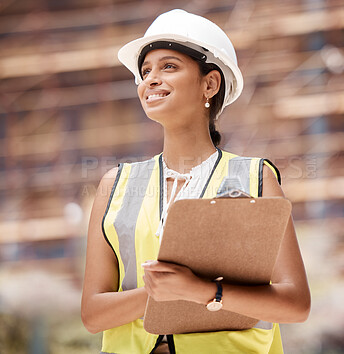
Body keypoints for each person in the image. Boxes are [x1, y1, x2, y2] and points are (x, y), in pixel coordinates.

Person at [81, 9, 310, 354]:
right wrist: (163, 292)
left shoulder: (255, 178)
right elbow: (93, 315)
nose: (150, 80)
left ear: (210, 83)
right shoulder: (115, 186)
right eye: (145, 71)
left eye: (168, 66)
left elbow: (295, 303)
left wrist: (203, 292)